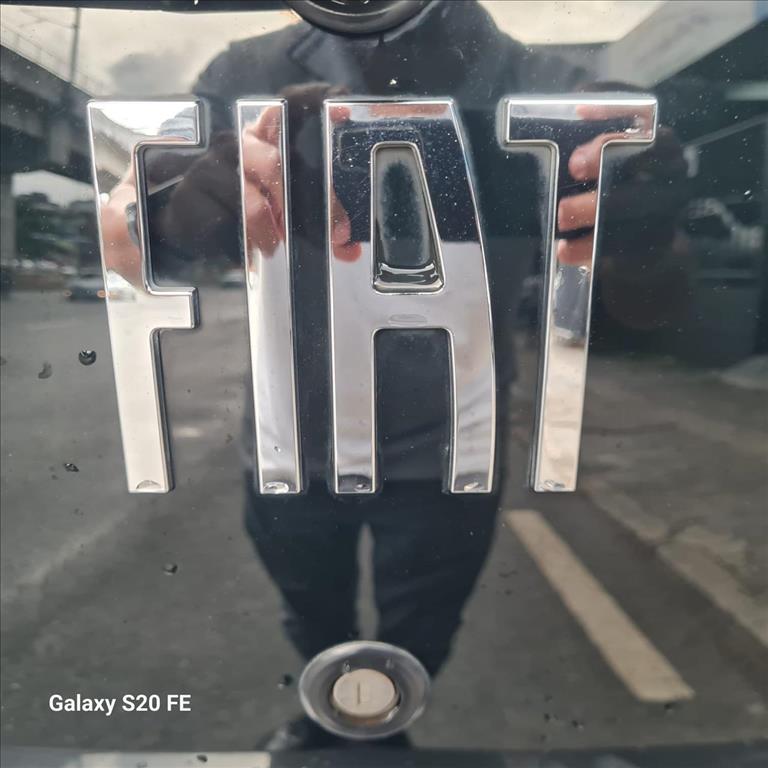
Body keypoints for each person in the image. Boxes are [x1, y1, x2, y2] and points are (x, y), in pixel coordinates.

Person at [128, 0, 687, 750]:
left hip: (441, 443)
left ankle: (366, 723)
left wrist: (645, 229)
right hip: (307, 435)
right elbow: (146, 226)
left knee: (422, 622)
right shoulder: (247, 73)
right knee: (312, 608)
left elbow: (650, 307)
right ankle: (347, 714)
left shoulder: (549, 91)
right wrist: (181, 214)